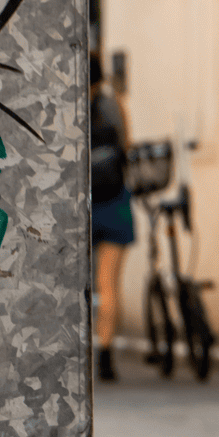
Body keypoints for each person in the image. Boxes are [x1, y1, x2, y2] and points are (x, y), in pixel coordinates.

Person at [90, 52, 134, 382]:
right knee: (109, 285)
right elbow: (127, 147)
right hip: (115, 202)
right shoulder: (112, 105)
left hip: (83, 206)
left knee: (77, 285)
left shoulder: (68, 108)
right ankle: (105, 354)